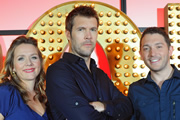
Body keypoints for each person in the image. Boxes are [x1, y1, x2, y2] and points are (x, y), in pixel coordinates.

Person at [46, 6, 133, 120]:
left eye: (93, 29)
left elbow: (128, 108)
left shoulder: (100, 75)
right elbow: (84, 118)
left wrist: (105, 106)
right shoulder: (58, 72)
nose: (88, 36)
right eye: (81, 29)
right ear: (68, 34)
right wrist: (113, 111)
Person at [128, 27, 180, 120]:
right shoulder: (135, 90)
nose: (152, 53)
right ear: (141, 54)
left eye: (159, 47)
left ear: (170, 50)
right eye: (146, 48)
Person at [0, 36, 52, 120]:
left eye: (33, 57)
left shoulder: (45, 98)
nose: (29, 63)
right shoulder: (5, 93)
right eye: (21, 58)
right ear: (12, 66)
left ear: (40, 62)